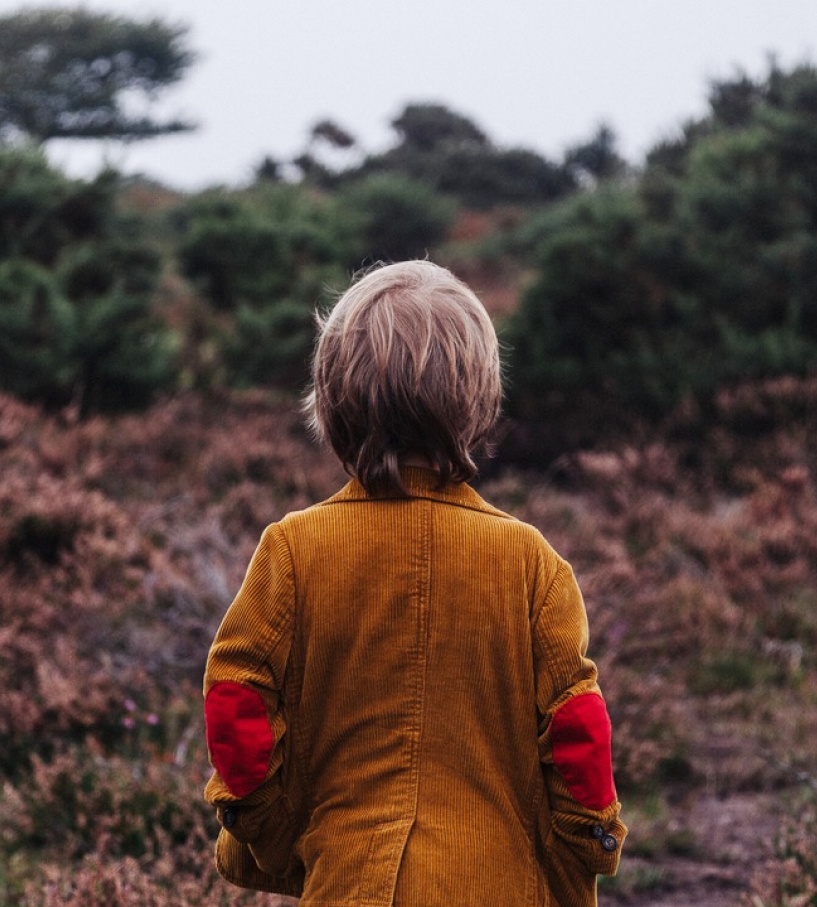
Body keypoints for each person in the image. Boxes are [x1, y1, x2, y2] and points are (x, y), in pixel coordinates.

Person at [202, 260, 626, 906]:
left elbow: (237, 703)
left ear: (332, 398)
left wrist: (275, 834)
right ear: (480, 398)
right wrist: (581, 855)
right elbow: (579, 736)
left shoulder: (291, 550)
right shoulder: (531, 562)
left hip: (349, 885)